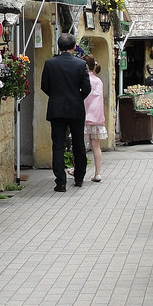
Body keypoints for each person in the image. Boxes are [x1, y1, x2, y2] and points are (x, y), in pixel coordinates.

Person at [40, 33, 91, 192]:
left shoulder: (50, 63)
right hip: (75, 108)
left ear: (59, 47)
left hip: (56, 109)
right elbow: (87, 88)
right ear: (74, 47)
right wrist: (77, 97)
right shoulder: (80, 64)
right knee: (78, 144)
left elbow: (45, 86)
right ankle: (79, 178)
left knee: (58, 145)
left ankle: (60, 182)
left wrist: (55, 97)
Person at [83, 55, 107, 182]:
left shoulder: (85, 80)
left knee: (80, 146)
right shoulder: (99, 81)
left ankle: (77, 169)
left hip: (85, 116)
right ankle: (98, 173)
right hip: (97, 117)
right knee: (96, 146)